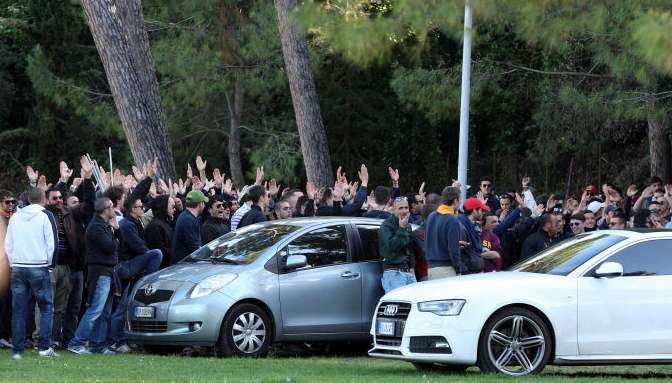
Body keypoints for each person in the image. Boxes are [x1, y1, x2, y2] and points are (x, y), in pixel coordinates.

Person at [44, 157, 95, 348]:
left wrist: (88, 179)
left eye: (61, 199)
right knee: (55, 308)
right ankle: (49, 339)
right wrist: (63, 182)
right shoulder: (46, 215)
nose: (60, 201)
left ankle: (68, 341)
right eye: (55, 198)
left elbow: (89, 205)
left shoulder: (71, 214)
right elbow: (50, 197)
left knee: (72, 308)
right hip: (55, 266)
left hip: (74, 268)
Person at [5, 188, 58, 359]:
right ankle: (43, 347)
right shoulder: (45, 215)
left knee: (18, 309)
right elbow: (52, 243)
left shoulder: (15, 216)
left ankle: (18, 350)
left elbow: (8, 244)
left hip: (19, 267)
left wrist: (13, 262)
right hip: (39, 266)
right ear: (43, 199)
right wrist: (50, 264)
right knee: (46, 307)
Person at [109, 195, 163, 352]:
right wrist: (147, 259)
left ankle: (120, 340)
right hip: (125, 267)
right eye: (140, 207)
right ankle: (118, 342)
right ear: (132, 209)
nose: (143, 209)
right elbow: (138, 246)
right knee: (156, 254)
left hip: (129, 267)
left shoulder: (134, 222)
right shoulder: (127, 224)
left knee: (123, 306)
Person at [68, 198, 118, 355]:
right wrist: (115, 230)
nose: (114, 210)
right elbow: (110, 247)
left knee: (105, 312)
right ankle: (77, 342)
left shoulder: (103, 226)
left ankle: (98, 344)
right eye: (111, 207)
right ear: (105, 210)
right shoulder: (96, 227)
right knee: (95, 309)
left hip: (108, 272)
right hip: (100, 273)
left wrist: (113, 231)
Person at [378, 197, 417, 293]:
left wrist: (412, 268)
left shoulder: (407, 225)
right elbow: (392, 246)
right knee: (399, 305)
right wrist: (402, 228)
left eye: (406, 208)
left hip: (408, 272)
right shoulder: (386, 226)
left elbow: (410, 249)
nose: (404, 211)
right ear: (394, 209)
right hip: (393, 272)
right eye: (401, 208)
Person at [425, 186, 465, 279]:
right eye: (460, 200)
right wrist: (459, 269)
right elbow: (453, 250)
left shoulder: (431, 215)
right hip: (446, 269)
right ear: (455, 200)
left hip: (431, 269)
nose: (460, 203)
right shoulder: (452, 220)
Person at [458, 198, 499, 274]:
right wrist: (466, 273)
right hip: (469, 274)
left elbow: (471, 249)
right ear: (474, 210)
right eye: (481, 210)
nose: (483, 213)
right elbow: (460, 254)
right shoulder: (462, 227)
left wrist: (482, 249)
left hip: (473, 271)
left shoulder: (469, 225)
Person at [171, 190, 208, 264]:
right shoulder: (188, 219)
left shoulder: (185, 216)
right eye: (204, 203)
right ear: (200, 204)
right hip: (184, 267)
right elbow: (195, 248)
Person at [0, 189, 17, 349]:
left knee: (9, 303)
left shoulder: (15, 217)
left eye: (13, 202)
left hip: (12, 267)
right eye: (7, 202)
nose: (11, 205)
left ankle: (6, 335)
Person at [145, 195, 175, 269]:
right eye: (172, 207)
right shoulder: (155, 226)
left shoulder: (165, 223)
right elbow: (160, 250)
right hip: (162, 268)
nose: (174, 210)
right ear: (164, 207)